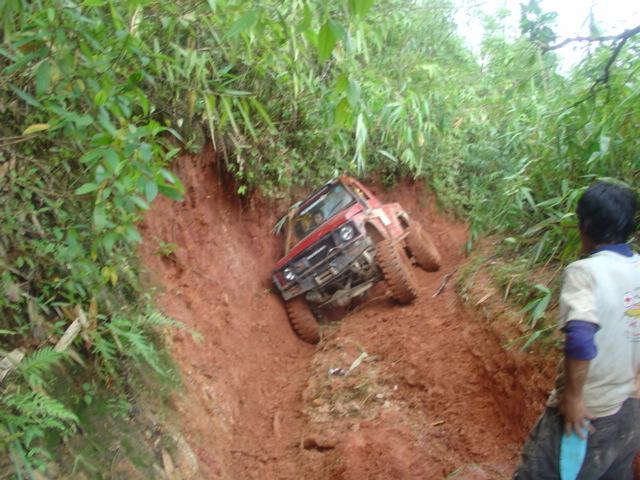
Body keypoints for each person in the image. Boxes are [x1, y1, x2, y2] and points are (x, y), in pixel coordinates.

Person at [514, 181, 640, 479]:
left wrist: (573, 399)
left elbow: (581, 338)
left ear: (586, 225)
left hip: (589, 414)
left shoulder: (584, 272)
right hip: (630, 412)